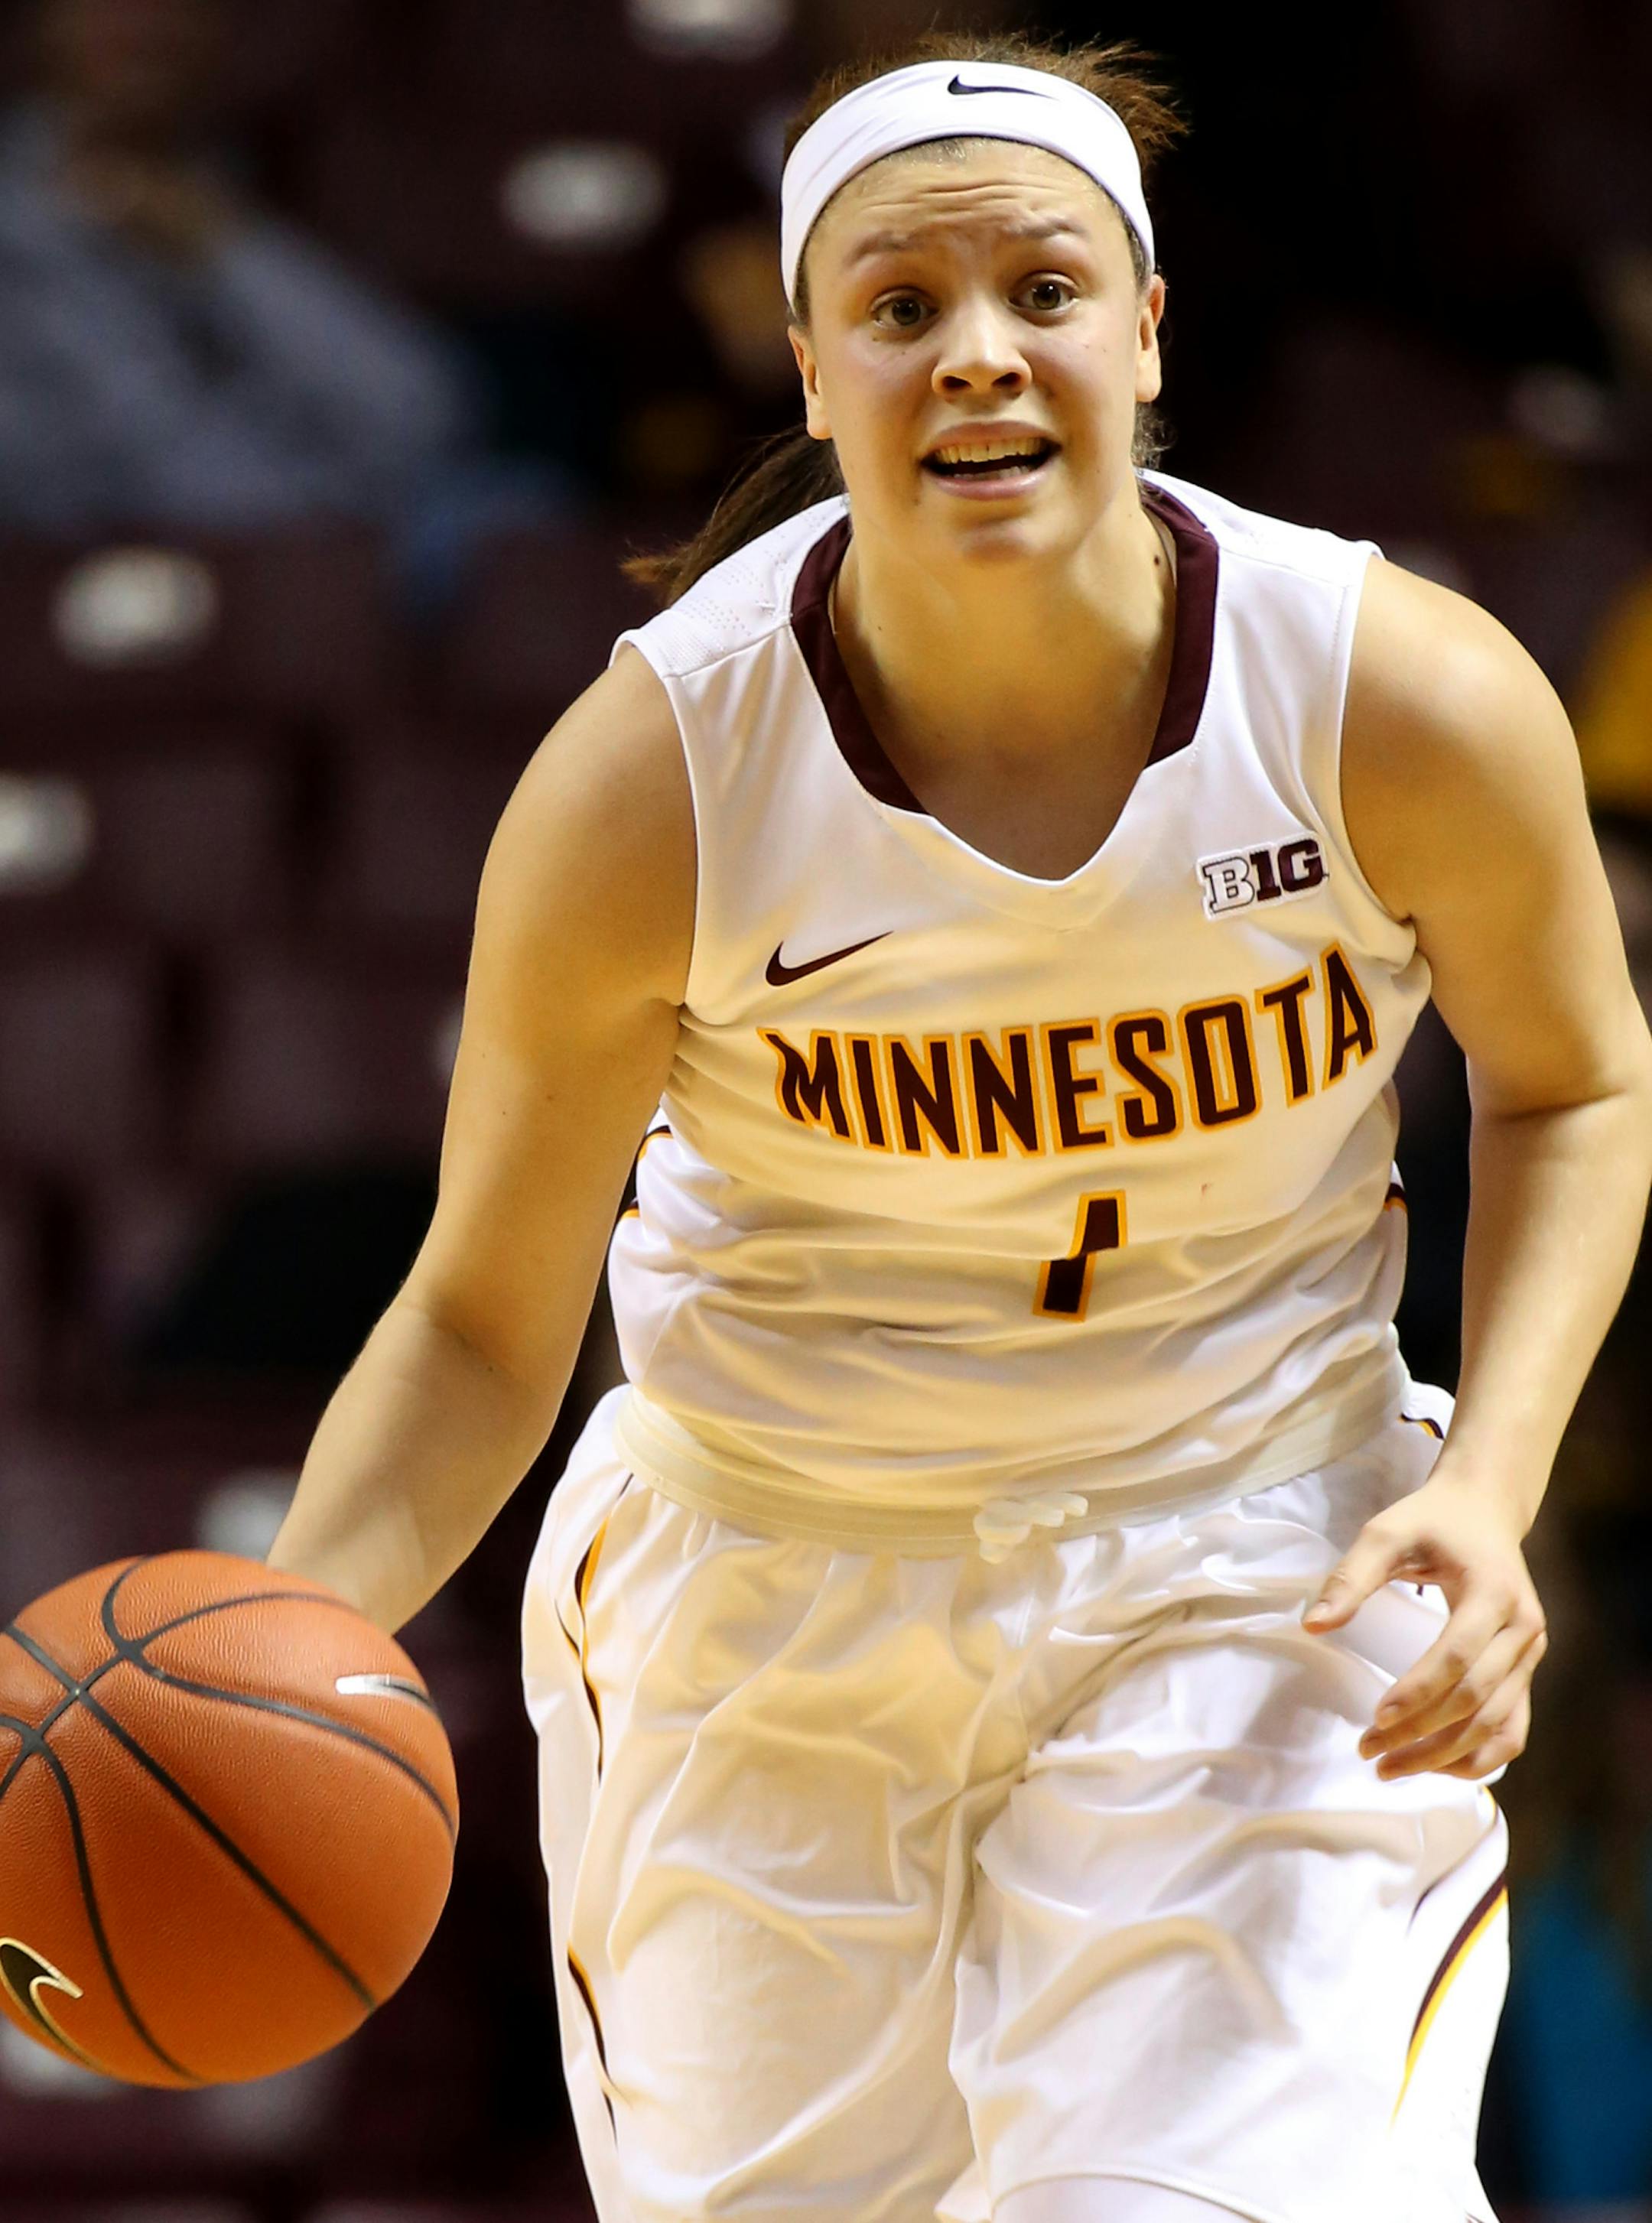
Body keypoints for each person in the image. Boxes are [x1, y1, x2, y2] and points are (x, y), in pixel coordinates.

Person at [267, 31, 1652, 2223]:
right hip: (765, 1587)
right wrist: (271, 1657)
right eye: (902, 306)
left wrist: (1488, 1485)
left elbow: (1574, 1081)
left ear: (1148, 331)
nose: (980, 352)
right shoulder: (652, 782)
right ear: (811, 370)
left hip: (1248, 1551)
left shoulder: (1395, 693)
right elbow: (477, 1320)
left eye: (1044, 290)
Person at [0, 0, 560, 606]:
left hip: (337, 547)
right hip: (158, 583)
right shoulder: (18, 216)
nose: (149, 26)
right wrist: (347, 515)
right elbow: (116, 480)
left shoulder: (260, 174)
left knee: (521, 519)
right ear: (43, 25)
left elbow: (423, 413)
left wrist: (224, 246)